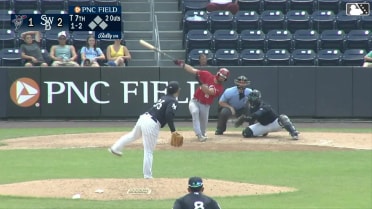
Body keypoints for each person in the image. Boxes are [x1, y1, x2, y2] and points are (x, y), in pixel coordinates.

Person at [108, 81, 181, 179]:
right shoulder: (173, 101)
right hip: (151, 123)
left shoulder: (164, 98)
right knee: (148, 151)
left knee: (132, 136)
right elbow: (168, 114)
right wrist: (173, 130)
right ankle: (147, 176)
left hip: (144, 118)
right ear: (177, 91)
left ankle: (115, 148)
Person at [174, 60, 229, 142]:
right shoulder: (207, 75)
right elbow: (193, 70)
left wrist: (200, 82)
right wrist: (182, 64)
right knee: (195, 112)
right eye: (221, 76)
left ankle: (202, 133)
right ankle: (199, 135)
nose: (222, 78)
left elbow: (208, 91)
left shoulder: (219, 88)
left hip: (205, 105)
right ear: (218, 74)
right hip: (195, 101)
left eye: (224, 77)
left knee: (203, 127)